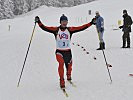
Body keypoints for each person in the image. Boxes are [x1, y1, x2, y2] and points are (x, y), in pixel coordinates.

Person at [35, 14, 95, 88]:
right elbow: (45, 28)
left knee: (69, 66)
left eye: (66, 21)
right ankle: (61, 80)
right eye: (63, 21)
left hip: (68, 51)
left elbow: (81, 28)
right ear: (60, 22)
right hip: (59, 52)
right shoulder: (56, 30)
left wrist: (91, 23)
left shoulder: (70, 30)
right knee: (61, 63)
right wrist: (39, 22)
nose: (64, 23)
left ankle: (68, 75)